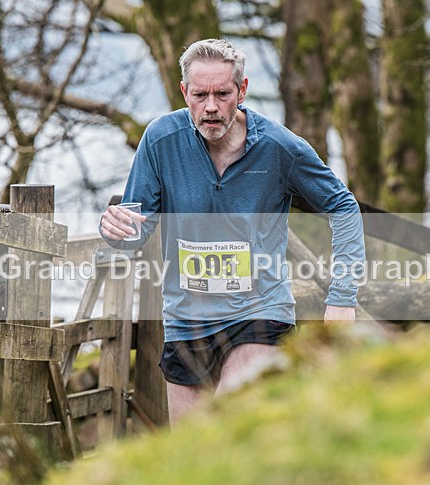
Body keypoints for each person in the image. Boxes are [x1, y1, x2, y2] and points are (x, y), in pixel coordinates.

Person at [100, 38, 365, 423]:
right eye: (200, 94)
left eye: (222, 93)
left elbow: (343, 206)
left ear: (241, 91)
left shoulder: (279, 148)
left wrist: (342, 297)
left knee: (227, 420)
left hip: (259, 313)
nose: (210, 107)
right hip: (185, 319)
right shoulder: (160, 140)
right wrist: (114, 229)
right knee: (193, 454)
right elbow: (134, 230)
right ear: (184, 92)